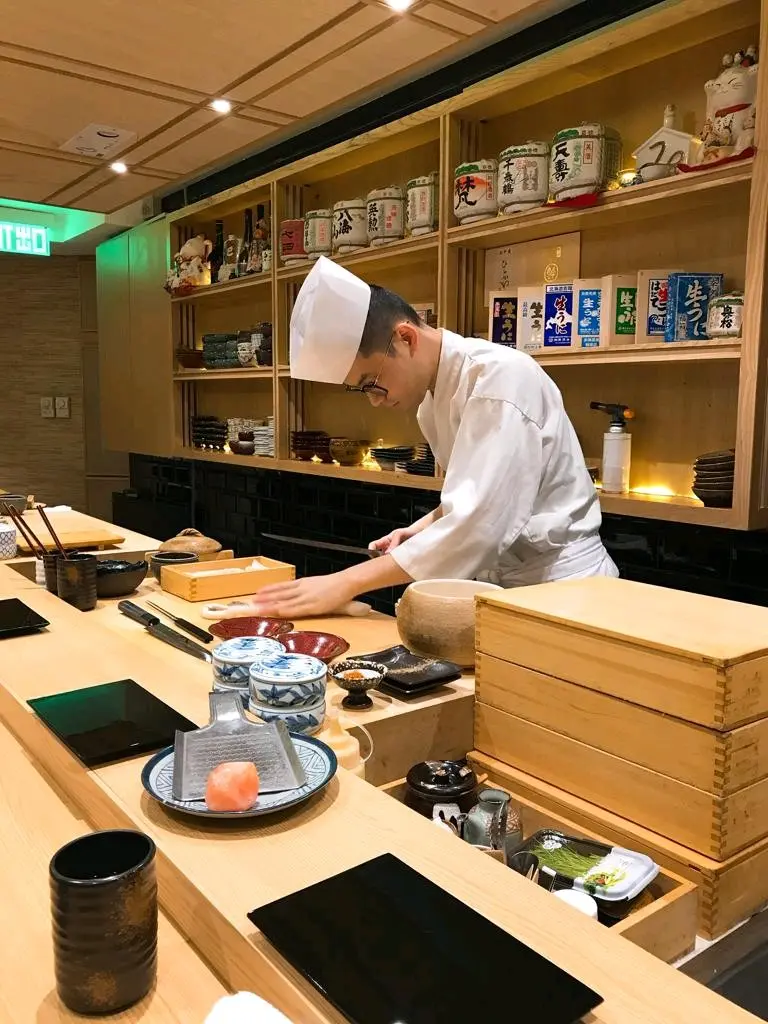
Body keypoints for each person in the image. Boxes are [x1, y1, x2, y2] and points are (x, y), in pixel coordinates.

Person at [251, 257, 617, 618]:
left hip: (566, 588)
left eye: (371, 383)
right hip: (512, 588)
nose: (375, 401)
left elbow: (479, 526)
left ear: (406, 338)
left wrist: (344, 583)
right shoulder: (432, 401)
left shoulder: (499, 380)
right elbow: (479, 493)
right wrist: (419, 531)